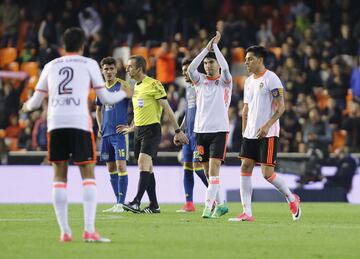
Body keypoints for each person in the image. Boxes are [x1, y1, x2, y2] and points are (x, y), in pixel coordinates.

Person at [22, 27, 132, 242]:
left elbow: (35, 103)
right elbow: (106, 99)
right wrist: (123, 93)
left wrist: (25, 106)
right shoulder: (89, 64)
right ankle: (89, 230)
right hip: (79, 124)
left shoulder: (50, 66)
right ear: (83, 45)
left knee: (59, 177)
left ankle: (64, 232)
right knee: (88, 177)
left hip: (56, 124)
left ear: (63, 45)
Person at [229, 45, 301, 222]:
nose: (246, 62)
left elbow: (281, 107)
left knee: (267, 174)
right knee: (245, 167)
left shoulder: (272, 79)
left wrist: (268, 125)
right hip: (250, 133)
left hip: (268, 133)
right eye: (245, 60)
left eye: (250, 59)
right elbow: (246, 108)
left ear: (260, 60)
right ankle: (247, 212)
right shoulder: (247, 81)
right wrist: (245, 129)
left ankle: (292, 199)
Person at [119, 55, 188, 214]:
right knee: (147, 168)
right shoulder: (136, 86)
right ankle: (154, 205)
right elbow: (140, 111)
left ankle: (136, 201)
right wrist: (131, 127)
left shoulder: (154, 84)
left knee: (143, 163)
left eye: (130, 66)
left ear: (139, 69)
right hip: (139, 131)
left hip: (151, 130)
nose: (127, 69)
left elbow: (167, 108)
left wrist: (177, 131)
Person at [187, 31, 232, 219]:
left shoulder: (224, 82)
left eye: (211, 62)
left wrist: (215, 48)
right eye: (205, 63)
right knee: (206, 171)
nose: (207, 65)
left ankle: (208, 207)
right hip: (200, 131)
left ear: (217, 65)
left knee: (213, 169)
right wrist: (205, 50)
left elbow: (227, 68)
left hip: (219, 131)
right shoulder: (200, 81)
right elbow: (190, 69)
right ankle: (221, 205)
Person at [96, 57, 131, 213]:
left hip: (119, 134)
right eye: (106, 69)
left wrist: (131, 126)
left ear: (116, 70)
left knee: (121, 165)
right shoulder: (101, 89)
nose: (109, 71)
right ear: (102, 71)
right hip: (106, 135)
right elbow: (98, 109)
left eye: (111, 68)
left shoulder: (123, 85)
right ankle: (118, 202)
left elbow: (137, 102)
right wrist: (99, 126)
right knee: (110, 168)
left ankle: (121, 203)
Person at [176, 58, 208, 213]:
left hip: (199, 134)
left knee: (197, 167)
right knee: (187, 168)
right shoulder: (188, 88)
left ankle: (216, 196)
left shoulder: (202, 86)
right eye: (183, 71)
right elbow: (188, 113)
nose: (184, 74)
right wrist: (179, 130)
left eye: (187, 70)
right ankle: (189, 203)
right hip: (187, 135)